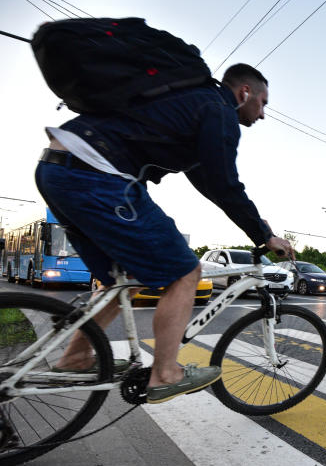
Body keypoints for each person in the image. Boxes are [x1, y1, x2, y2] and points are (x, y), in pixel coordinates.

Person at [36, 63, 294, 404]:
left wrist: (258, 231)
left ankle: (75, 357)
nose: (262, 114)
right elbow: (225, 184)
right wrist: (266, 235)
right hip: (95, 172)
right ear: (244, 93)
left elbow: (209, 183)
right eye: (262, 103)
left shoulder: (192, 104)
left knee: (125, 279)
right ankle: (165, 374)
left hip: (58, 168)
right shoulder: (218, 110)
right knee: (186, 272)